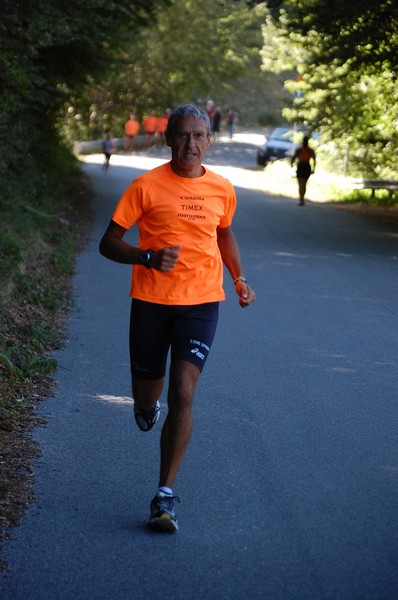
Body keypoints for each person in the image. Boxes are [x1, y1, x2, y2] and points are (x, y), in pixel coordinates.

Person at [99, 104, 255, 533]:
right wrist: (146, 257)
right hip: (151, 301)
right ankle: (144, 403)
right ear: (169, 139)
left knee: (184, 392)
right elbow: (108, 243)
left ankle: (164, 495)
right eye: (183, 136)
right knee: (151, 394)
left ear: (210, 139)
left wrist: (238, 277)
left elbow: (223, 232)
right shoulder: (145, 186)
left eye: (199, 135)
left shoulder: (223, 189)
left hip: (202, 302)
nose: (191, 144)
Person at [291, 135, 316, 205]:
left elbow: (293, 157)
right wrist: (314, 168)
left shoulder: (300, 150)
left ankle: (301, 199)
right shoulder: (309, 150)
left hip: (302, 166)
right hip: (305, 166)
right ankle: (301, 199)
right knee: (303, 184)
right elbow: (314, 159)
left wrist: (292, 164)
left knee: (301, 184)